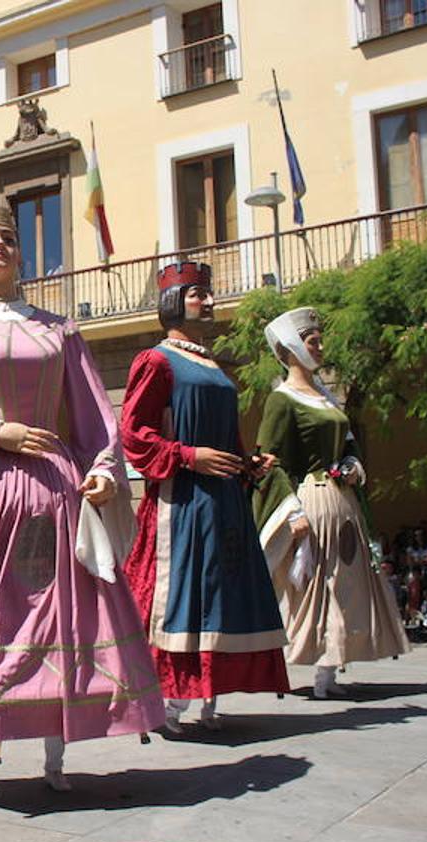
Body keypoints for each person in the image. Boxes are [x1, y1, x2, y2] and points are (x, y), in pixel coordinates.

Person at [0, 190, 164, 810]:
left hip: (58, 490)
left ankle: (56, 751)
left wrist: (104, 470)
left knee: (63, 622)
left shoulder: (60, 331)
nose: (0, 245)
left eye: (9, 237)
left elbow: (94, 417)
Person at [120, 262, 290, 732]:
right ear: (173, 302)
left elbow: (228, 437)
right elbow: (134, 433)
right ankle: (167, 702)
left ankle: (209, 694)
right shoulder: (155, 361)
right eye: (198, 294)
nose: (210, 301)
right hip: (184, 500)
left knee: (221, 593)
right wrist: (190, 455)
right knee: (182, 596)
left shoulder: (213, 365)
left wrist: (245, 463)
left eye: (209, 294)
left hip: (224, 502)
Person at [253, 307, 408, 698]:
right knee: (319, 585)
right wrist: (293, 512)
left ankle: (330, 672)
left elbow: (350, 445)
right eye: (312, 342)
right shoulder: (281, 400)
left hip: (343, 502)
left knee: (347, 585)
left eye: (320, 341)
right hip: (311, 499)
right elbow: (269, 462)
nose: (321, 348)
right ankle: (317, 666)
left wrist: (354, 465)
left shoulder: (327, 397)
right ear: (290, 349)